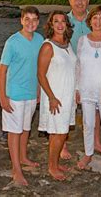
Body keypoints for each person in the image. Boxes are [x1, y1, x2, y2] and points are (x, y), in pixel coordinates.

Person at [0, 6, 44, 186]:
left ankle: (23, 157)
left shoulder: (40, 39)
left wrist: (39, 89)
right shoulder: (12, 42)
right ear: (21, 20)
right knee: (14, 132)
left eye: (34, 20)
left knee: (25, 128)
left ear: (38, 22)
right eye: (27, 19)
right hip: (14, 94)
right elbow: (2, 71)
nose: (30, 23)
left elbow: (39, 67)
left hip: (31, 93)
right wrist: (2, 96)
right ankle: (16, 169)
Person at [67, 0, 101, 158]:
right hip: (69, 69)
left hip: (91, 71)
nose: (80, 2)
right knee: (68, 106)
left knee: (96, 109)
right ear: (70, 1)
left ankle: (96, 142)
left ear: (88, 1)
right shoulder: (65, 21)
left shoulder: (95, 18)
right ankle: (63, 144)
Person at [75, 6, 101, 173]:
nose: (98, 21)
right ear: (89, 21)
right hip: (86, 89)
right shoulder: (82, 40)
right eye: (95, 18)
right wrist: (76, 89)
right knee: (88, 123)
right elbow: (78, 66)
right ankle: (88, 153)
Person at [38, 11, 77, 181]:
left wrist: (76, 91)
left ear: (67, 25)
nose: (60, 24)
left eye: (63, 21)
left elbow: (71, 70)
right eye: (56, 21)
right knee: (57, 133)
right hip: (56, 97)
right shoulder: (48, 46)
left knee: (62, 132)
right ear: (51, 25)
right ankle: (52, 167)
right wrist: (52, 98)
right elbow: (40, 74)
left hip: (68, 96)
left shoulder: (67, 44)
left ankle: (55, 163)